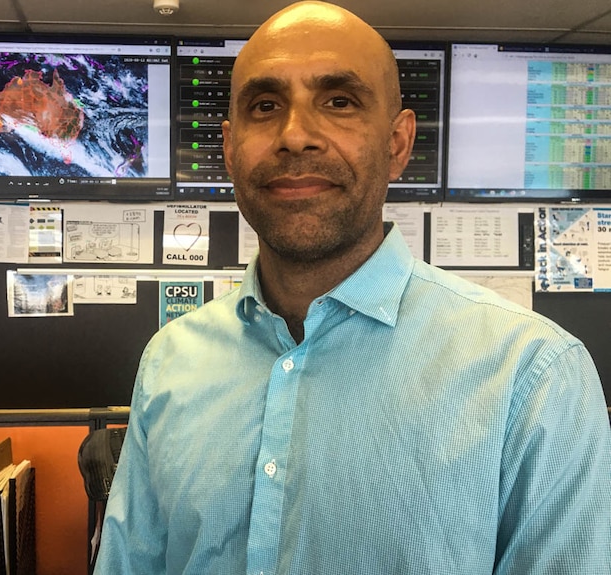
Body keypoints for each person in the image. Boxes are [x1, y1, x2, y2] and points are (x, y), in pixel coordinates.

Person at [94, 2, 611, 573]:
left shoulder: (533, 377)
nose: (294, 136)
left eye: (339, 102)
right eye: (265, 106)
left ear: (397, 143)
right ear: (230, 148)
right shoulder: (171, 361)